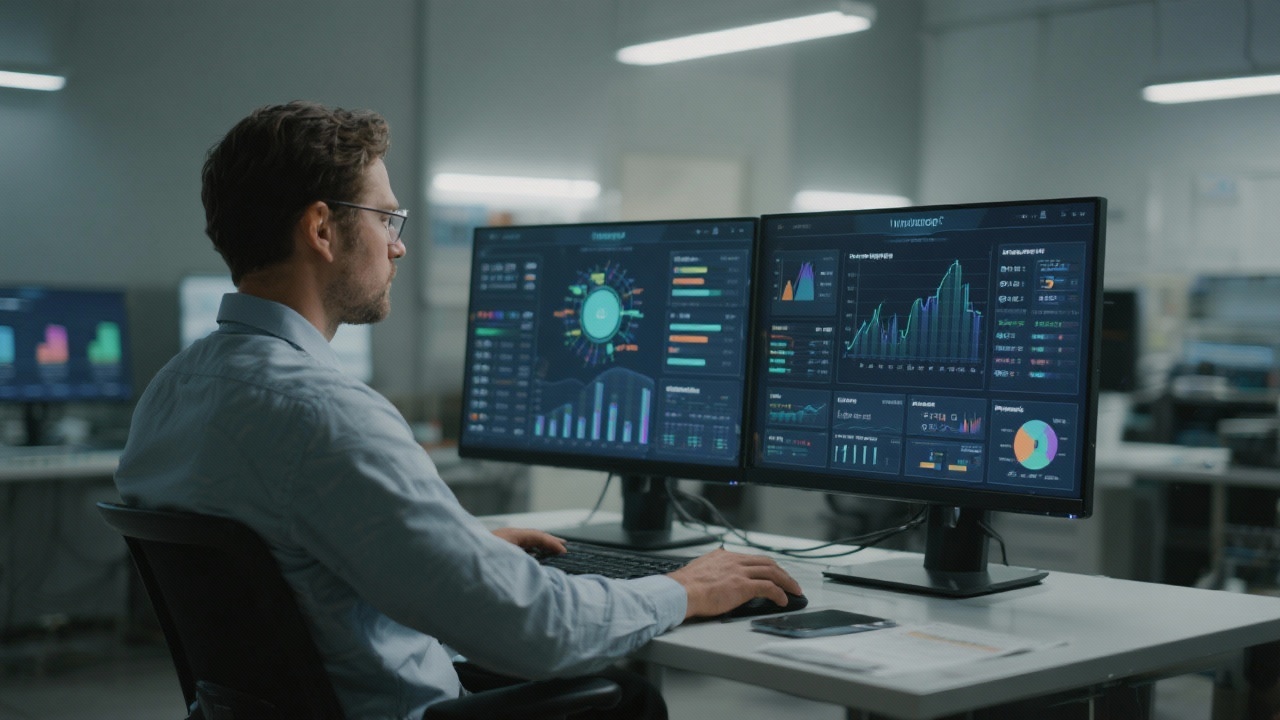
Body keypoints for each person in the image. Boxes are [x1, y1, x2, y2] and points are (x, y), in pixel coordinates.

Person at [113, 100, 801, 720]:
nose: (398, 243)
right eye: (385, 217)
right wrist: (682, 590)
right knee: (626, 701)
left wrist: (450, 551)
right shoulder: (326, 414)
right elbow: (540, 632)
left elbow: (293, 568)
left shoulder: (172, 394)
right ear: (321, 229)